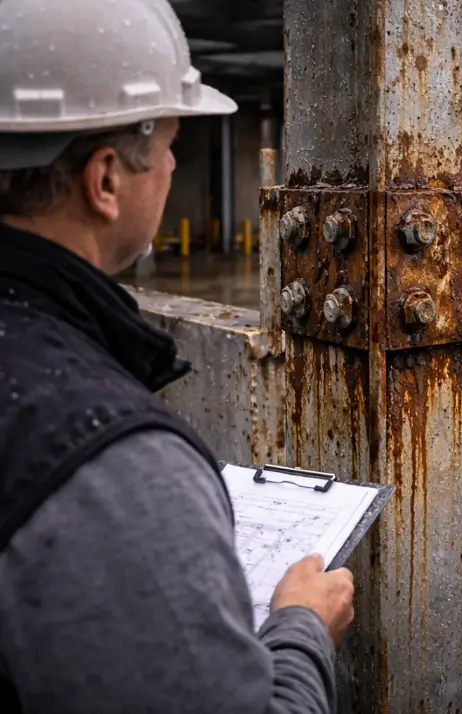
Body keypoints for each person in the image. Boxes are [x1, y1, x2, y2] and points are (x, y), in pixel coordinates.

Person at [0, 1, 354, 711]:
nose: (170, 167)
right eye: (168, 147)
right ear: (105, 181)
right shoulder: (110, 461)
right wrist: (302, 628)